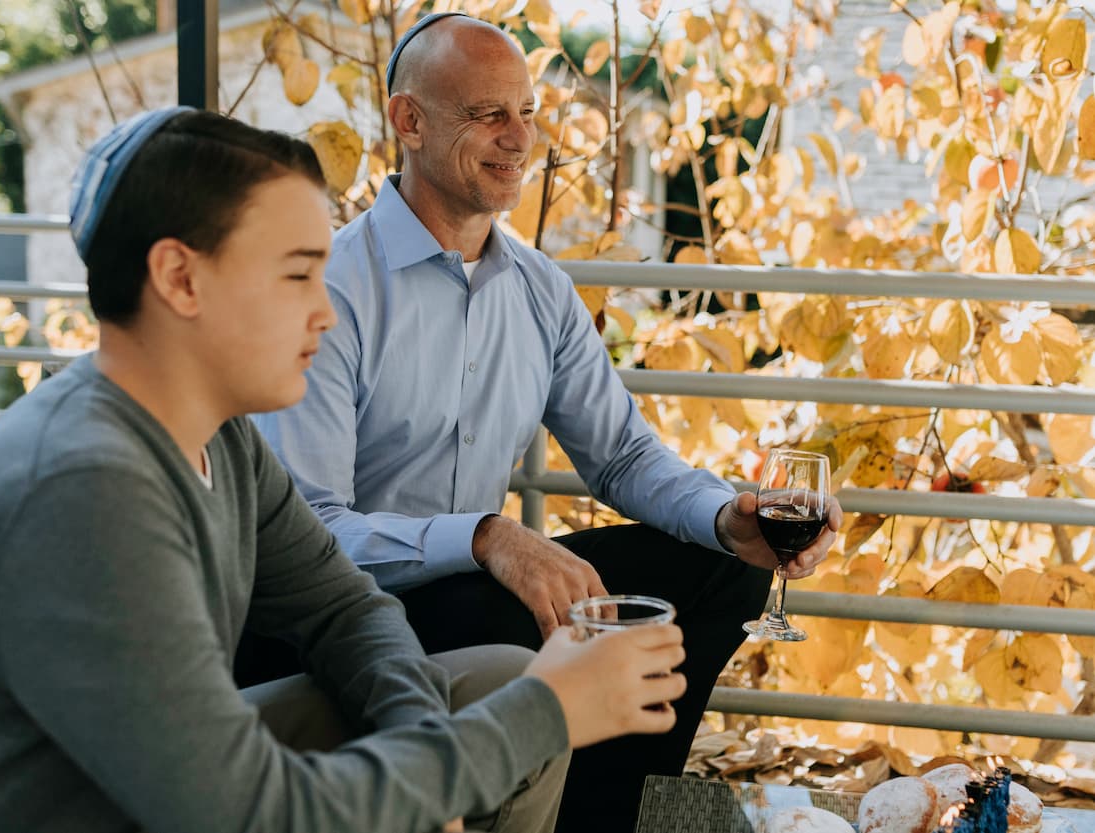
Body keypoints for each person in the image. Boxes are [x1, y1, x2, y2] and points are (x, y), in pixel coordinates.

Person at [0, 108, 691, 833]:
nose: (325, 311)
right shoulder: (85, 488)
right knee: (521, 704)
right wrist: (549, 709)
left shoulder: (220, 436)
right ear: (180, 278)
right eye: (296, 274)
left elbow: (345, 609)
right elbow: (247, 813)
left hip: (119, 787)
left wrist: (431, 751)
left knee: (492, 680)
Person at [252, 15, 844, 833]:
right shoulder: (333, 290)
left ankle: (605, 818)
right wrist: (485, 537)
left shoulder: (540, 289)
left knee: (720, 568)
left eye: (527, 112)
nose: (520, 137)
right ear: (409, 121)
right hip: (352, 616)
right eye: (488, 114)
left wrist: (725, 516)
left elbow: (623, 456)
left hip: (480, 590)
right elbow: (311, 533)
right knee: (523, 622)